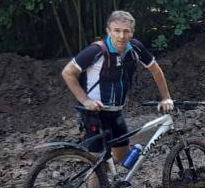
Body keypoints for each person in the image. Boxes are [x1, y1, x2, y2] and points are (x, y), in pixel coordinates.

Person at [61, 10, 174, 169]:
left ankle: (105, 180)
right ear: (108, 31)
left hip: (116, 112)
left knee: (122, 157)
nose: (121, 36)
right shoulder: (96, 51)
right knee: (98, 160)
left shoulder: (135, 48)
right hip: (94, 113)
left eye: (126, 31)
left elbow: (155, 69)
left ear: (132, 33)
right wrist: (86, 101)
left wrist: (166, 97)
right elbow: (67, 72)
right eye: (117, 30)